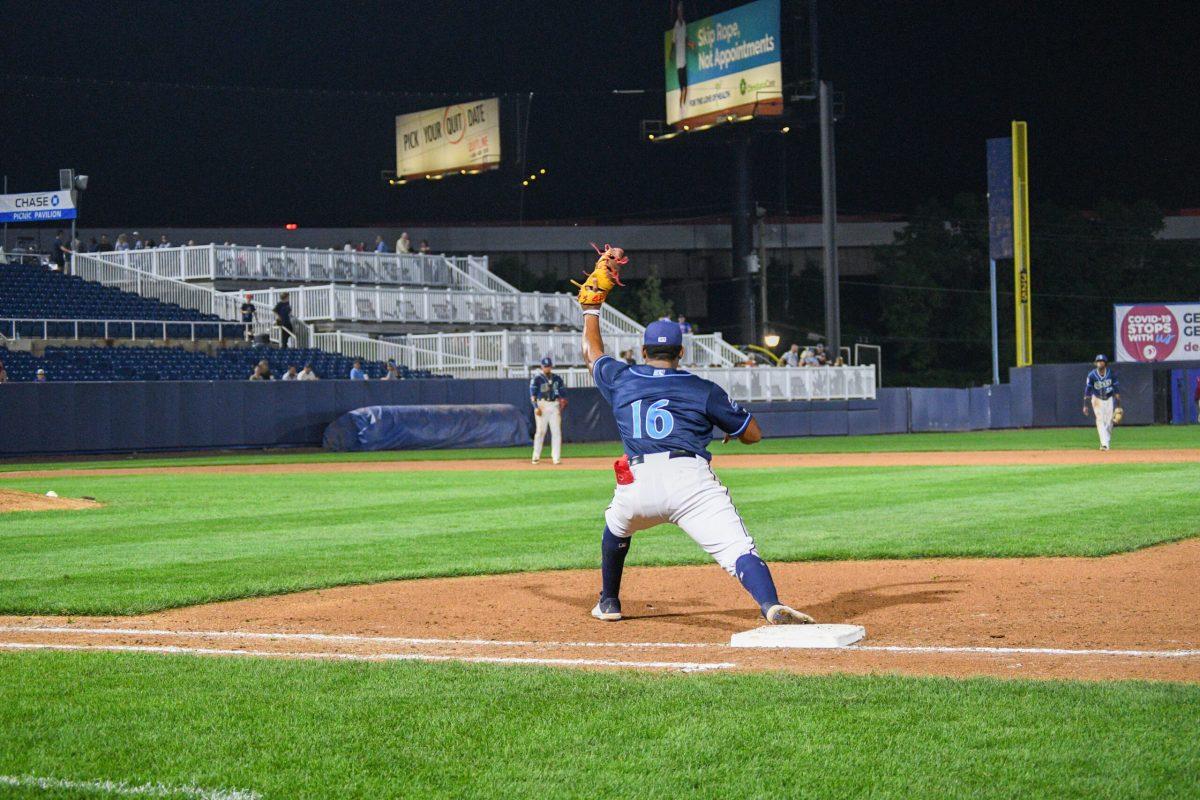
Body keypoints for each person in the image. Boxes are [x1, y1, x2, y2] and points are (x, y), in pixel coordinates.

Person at [576, 252, 812, 625]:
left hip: (637, 484)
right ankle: (769, 604)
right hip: (690, 482)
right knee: (739, 551)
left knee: (615, 527)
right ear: (681, 352)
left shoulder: (622, 379)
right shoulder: (701, 388)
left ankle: (609, 602)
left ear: (643, 351)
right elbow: (753, 434)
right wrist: (726, 427)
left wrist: (592, 310)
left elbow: (592, 354)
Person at [529, 356, 567, 465]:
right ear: (541, 367)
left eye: (549, 366)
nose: (547, 368)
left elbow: (562, 393)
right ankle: (536, 456)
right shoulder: (537, 379)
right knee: (540, 432)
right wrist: (535, 407)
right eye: (545, 366)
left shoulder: (556, 378)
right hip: (542, 405)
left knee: (556, 432)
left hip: (554, 405)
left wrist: (562, 401)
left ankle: (556, 458)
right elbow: (532, 395)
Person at [1082, 354, 1121, 451]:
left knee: (1109, 422)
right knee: (1100, 420)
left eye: (1102, 361)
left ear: (1105, 363)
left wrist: (1119, 405)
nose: (1099, 362)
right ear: (1096, 363)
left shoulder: (1111, 373)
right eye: (1098, 361)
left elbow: (1116, 390)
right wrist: (1085, 405)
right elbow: (1088, 390)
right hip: (1097, 399)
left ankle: (1106, 443)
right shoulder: (1092, 375)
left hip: (1109, 399)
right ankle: (1104, 444)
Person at [670, 1, 691, 112]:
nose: (680, 13)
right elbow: (673, 42)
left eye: (681, 11)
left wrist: (690, 44)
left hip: (684, 62)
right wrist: (671, 54)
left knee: (686, 88)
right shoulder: (676, 26)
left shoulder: (684, 25)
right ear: (677, 13)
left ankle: (683, 106)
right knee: (682, 89)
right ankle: (681, 108)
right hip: (679, 63)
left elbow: (686, 39)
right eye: (679, 11)